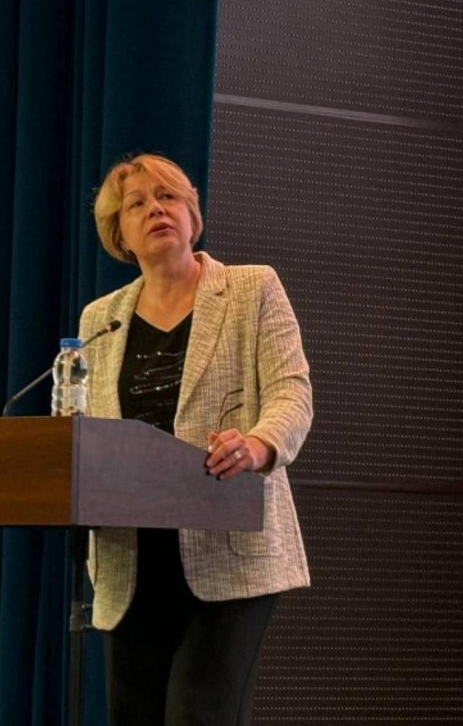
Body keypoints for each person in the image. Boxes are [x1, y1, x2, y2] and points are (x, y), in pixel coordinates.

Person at [78, 153, 312, 725]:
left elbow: (292, 393)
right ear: (119, 233)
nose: (156, 209)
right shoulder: (100, 320)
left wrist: (256, 445)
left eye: (169, 197)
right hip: (130, 560)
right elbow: (88, 430)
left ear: (192, 214)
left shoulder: (251, 288)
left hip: (229, 551)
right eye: (138, 204)